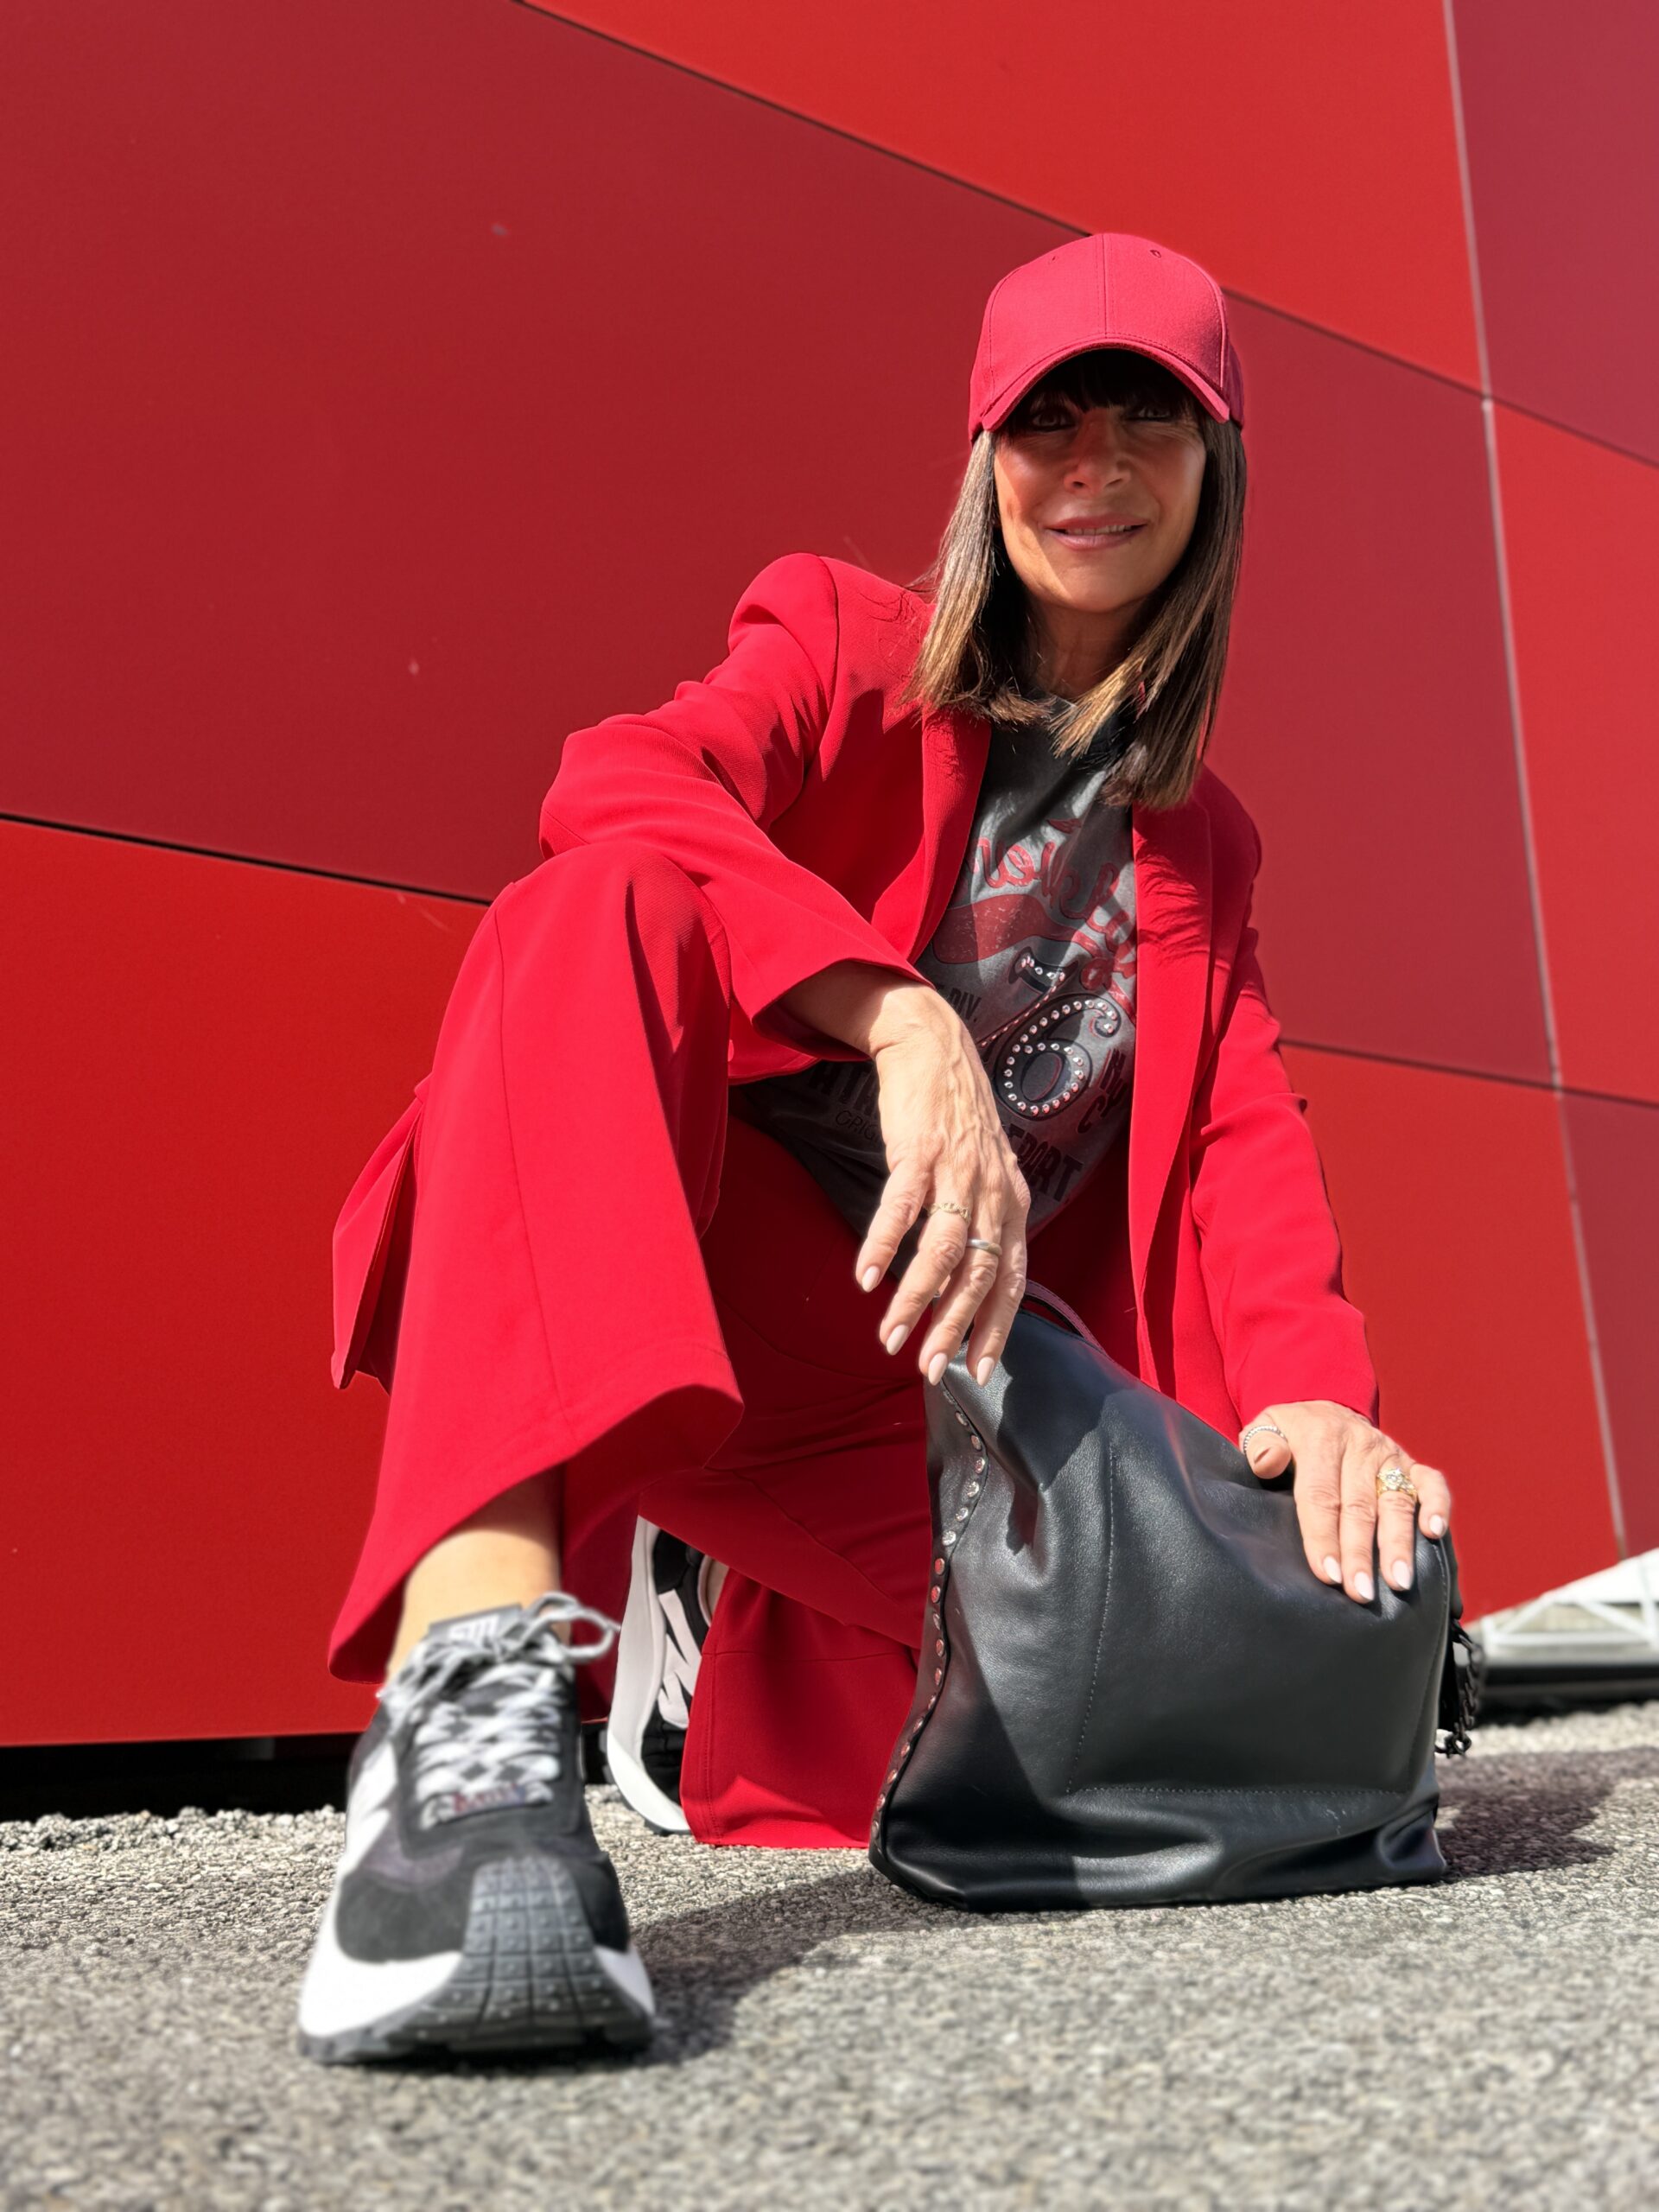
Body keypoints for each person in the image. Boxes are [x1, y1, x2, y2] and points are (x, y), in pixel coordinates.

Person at [295, 232, 1454, 2064]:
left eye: (1145, 418)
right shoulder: (845, 644)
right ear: (987, 457)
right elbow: (617, 778)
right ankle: (465, 1722)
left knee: (1235, 1663)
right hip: (686, 1257)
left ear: (1215, 461)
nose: (1093, 466)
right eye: (1047, 420)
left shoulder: (1203, 841)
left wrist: (1320, 1400)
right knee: (598, 902)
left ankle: (708, 1647)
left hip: (937, 1378)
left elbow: (1244, 1130)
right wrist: (897, 1017)